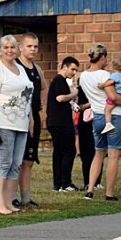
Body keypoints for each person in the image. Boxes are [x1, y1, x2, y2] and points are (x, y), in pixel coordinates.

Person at [0, 35, 33, 215]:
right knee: (3, 163)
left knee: (15, 164)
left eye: (12, 47)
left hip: (21, 124)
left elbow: (27, 95)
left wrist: (30, 120)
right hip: (3, 123)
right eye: (6, 47)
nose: (10, 50)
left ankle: (9, 201)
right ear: (1, 50)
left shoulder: (20, 69)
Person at [79, 44, 121, 201]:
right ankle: (109, 193)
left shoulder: (83, 76)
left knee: (98, 154)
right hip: (114, 116)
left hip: (97, 116)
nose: (107, 61)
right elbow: (114, 97)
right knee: (114, 155)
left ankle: (90, 190)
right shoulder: (103, 75)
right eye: (106, 58)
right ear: (102, 58)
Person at [14, 33, 46, 208]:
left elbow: (44, 88)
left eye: (35, 46)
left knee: (29, 159)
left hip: (34, 117)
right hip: (18, 119)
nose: (33, 49)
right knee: (15, 160)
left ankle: (26, 197)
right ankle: (10, 197)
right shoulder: (15, 67)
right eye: (29, 46)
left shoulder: (37, 69)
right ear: (21, 47)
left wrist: (43, 109)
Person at [46, 56, 80, 192]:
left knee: (59, 152)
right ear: (64, 67)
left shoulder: (58, 81)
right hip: (61, 123)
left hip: (56, 122)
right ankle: (65, 183)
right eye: (72, 69)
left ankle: (58, 183)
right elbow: (60, 98)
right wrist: (74, 94)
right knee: (68, 151)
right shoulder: (59, 80)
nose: (74, 73)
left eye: (76, 70)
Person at [76, 82, 102, 190]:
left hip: (98, 121)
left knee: (99, 152)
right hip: (86, 124)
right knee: (87, 155)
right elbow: (81, 106)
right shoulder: (82, 90)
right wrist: (93, 102)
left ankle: (98, 181)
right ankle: (88, 181)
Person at [100, 56, 121, 136]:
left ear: (113, 66)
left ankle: (108, 124)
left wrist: (102, 85)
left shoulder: (114, 75)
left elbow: (111, 82)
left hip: (117, 95)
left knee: (107, 110)